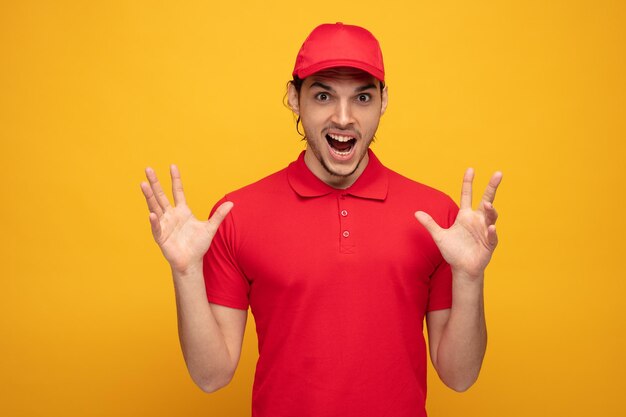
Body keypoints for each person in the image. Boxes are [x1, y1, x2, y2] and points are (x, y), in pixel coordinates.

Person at [141, 22, 502, 417]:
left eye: (362, 97)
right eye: (323, 95)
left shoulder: (437, 217)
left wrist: (470, 278)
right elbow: (211, 376)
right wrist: (186, 272)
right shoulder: (236, 215)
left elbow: (459, 376)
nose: (343, 118)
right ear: (294, 98)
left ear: (383, 101)